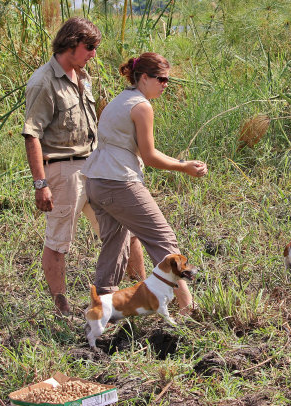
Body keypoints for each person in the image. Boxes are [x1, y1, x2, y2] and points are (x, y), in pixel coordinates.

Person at [22, 17, 146, 316]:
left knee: (125, 231)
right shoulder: (43, 82)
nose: (93, 54)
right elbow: (32, 134)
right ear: (70, 43)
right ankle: (61, 305)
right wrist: (41, 184)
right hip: (64, 171)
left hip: (97, 166)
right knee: (59, 239)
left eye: (95, 48)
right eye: (89, 47)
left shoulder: (83, 77)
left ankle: (139, 292)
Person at [82, 52, 207, 315]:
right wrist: (184, 166)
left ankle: (103, 307)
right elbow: (149, 156)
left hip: (97, 181)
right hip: (119, 182)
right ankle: (188, 306)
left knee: (115, 242)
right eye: (160, 79)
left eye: (168, 80)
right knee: (162, 239)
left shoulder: (120, 101)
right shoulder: (141, 106)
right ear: (144, 77)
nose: (165, 84)